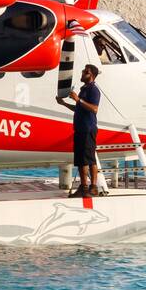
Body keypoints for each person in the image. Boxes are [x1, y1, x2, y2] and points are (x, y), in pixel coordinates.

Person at [56, 64, 102, 197]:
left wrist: (78, 99)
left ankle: (89, 188)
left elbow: (94, 108)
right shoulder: (85, 89)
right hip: (81, 128)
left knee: (87, 159)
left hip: (87, 129)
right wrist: (64, 103)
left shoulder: (93, 90)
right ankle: (87, 187)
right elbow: (79, 108)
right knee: (85, 159)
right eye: (83, 71)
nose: (82, 73)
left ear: (91, 75)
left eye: (85, 72)